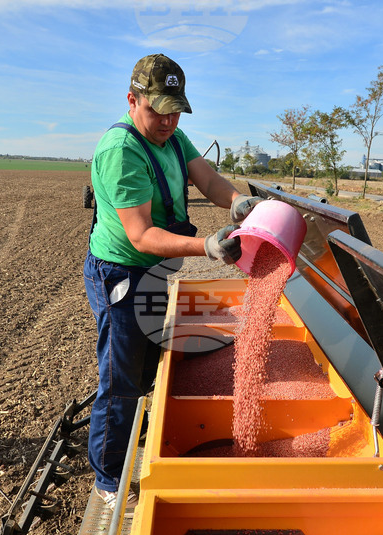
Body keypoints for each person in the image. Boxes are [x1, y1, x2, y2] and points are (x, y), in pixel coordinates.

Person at [84, 53, 263, 509]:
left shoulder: (172, 136)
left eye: (175, 109)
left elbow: (206, 177)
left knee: (145, 368)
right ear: (132, 99)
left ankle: (135, 438)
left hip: (153, 272)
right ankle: (108, 481)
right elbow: (142, 235)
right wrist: (206, 246)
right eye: (158, 109)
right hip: (122, 272)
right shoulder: (121, 152)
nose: (168, 120)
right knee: (121, 377)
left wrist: (238, 203)